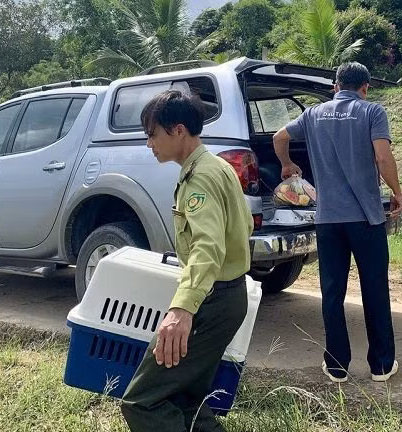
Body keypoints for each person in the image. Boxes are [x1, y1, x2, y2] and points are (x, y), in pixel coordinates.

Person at [120, 90, 253, 432]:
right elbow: (244, 225)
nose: (149, 144)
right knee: (188, 401)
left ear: (178, 130)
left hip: (210, 300)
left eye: (153, 134)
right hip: (225, 296)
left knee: (142, 402)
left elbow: (207, 247)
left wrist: (182, 310)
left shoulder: (201, 177)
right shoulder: (218, 165)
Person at [272, 62, 402, 383]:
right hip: (366, 218)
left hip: (328, 219)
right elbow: (384, 158)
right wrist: (397, 193)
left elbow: (279, 137)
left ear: (335, 86)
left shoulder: (314, 115)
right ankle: (382, 366)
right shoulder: (373, 112)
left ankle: (336, 366)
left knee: (332, 292)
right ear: (365, 87)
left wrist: (287, 164)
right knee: (375, 289)